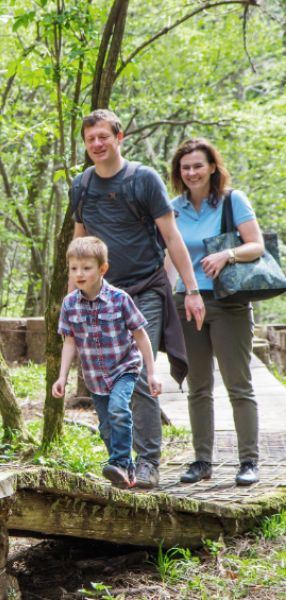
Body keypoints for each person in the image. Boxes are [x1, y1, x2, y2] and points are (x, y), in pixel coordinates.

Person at [70, 109, 205, 490]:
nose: (97, 145)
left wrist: (191, 290)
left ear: (119, 137)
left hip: (146, 288)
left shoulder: (143, 179)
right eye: (90, 139)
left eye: (103, 137)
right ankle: (121, 462)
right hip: (101, 297)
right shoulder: (80, 186)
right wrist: (72, 300)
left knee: (140, 375)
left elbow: (172, 237)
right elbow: (79, 247)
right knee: (104, 381)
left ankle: (148, 464)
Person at [167, 138, 263, 486]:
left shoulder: (231, 201)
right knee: (198, 387)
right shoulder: (173, 207)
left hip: (228, 302)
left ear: (211, 167)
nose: (191, 172)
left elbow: (256, 245)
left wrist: (228, 255)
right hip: (185, 303)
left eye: (198, 165)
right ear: (179, 172)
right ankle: (201, 460)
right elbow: (169, 257)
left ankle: (248, 460)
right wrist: (165, 301)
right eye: (185, 167)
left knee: (239, 385)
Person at [54, 237, 162, 488]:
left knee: (118, 410)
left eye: (86, 268)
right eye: (74, 268)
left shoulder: (120, 298)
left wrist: (152, 372)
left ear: (102, 269)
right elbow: (69, 342)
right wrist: (62, 377)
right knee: (105, 427)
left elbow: (141, 336)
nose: (79, 274)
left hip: (124, 368)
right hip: (94, 375)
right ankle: (125, 471)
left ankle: (120, 462)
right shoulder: (69, 304)